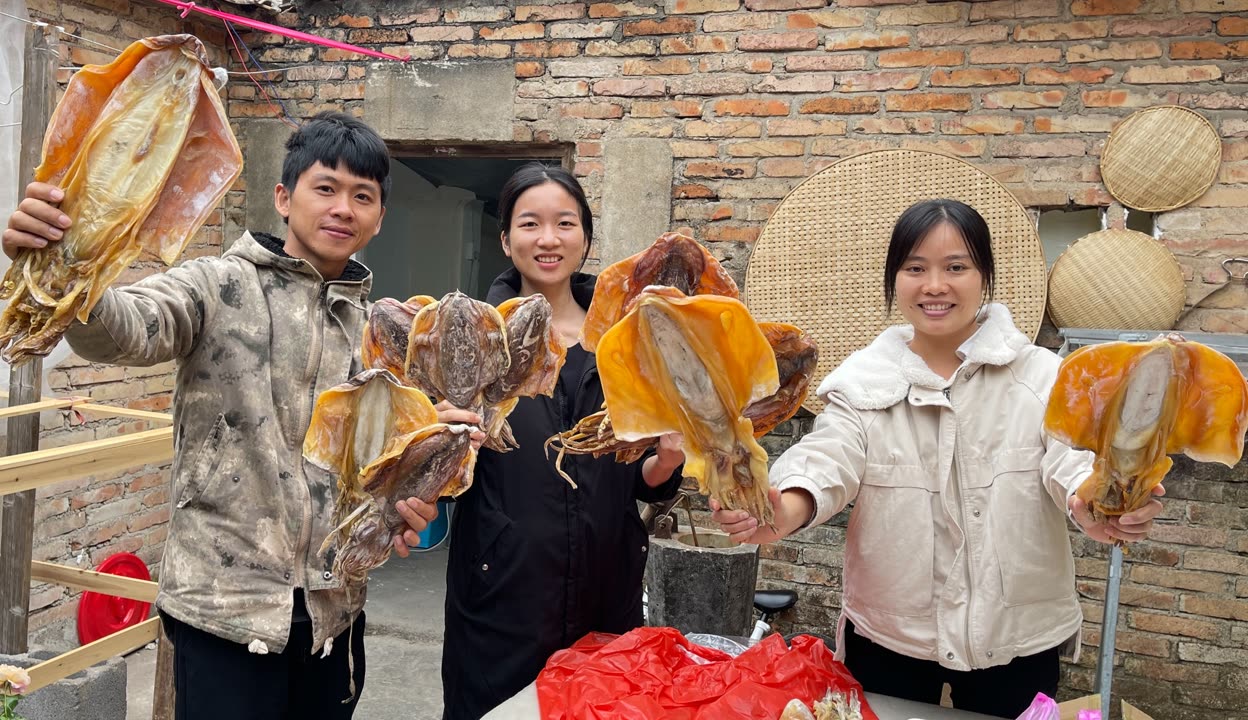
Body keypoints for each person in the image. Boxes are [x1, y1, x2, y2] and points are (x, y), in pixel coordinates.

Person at [3, 111, 468, 720]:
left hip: (335, 610)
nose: (343, 208)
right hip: (222, 610)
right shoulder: (216, 286)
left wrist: (410, 500)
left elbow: (385, 462)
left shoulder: (380, 331)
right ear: (284, 197)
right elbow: (125, 331)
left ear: (379, 219)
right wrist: (63, 260)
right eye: (324, 188)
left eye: (363, 197)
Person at [712, 199, 1164, 718]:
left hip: (1015, 635)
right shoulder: (863, 384)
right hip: (891, 633)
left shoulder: (1043, 377)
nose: (935, 285)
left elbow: (1073, 463)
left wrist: (1101, 504)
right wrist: (780, 507)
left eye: (956, 267)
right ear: (894, 280)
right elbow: (827, 458)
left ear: (985, 277)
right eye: (915, 268)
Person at [440, 162, 686, 720]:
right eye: (530, 224)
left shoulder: (627, 342)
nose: (548, 239)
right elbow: (444, 485)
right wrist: (445, 443)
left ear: (586, 238)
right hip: (503, 596)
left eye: (565, 224)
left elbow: (642, 478)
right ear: (505, 239)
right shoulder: (475, 340)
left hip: (608, 588)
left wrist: (668, 459)